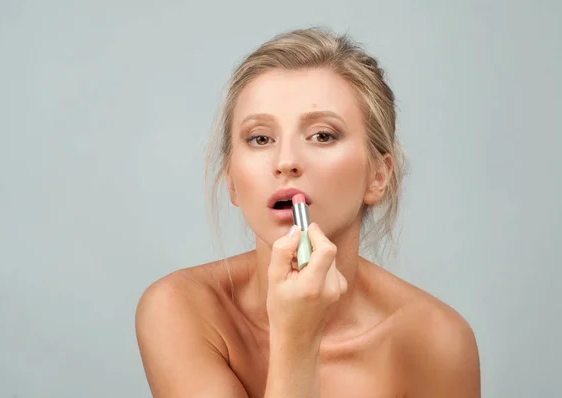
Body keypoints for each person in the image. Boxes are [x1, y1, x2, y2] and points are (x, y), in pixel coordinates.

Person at [135, 26, 481, 398]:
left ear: (377, 177)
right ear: (233, 182)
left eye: (322, 135)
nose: (286, 162)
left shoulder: (436, 340)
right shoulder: (180, 308)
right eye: (260, 138)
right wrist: (295, 339)